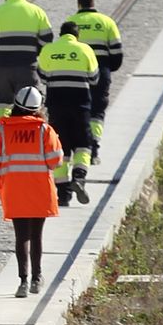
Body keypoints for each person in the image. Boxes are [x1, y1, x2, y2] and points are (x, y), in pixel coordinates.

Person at [0, 83, 64, 296]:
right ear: (38, 108)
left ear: (16, 106)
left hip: (14, 190)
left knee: (21, 236)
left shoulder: (3, 130)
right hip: (40, 190)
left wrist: (0, 184)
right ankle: (37, 279)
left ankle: (22, 281)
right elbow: (55, 161)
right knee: (37, 235)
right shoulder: (44, 130)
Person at [36, 20, 101, 208]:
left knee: (60, 147)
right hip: (81, 104)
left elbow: (43, 76)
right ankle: (79, 178)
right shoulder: (86, 50)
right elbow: (95, 78)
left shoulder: (49, 49)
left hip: (57, 104)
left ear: (60, 33)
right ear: (77, 35)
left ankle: (62, 194)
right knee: (83, 145)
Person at [66, 0, 124, 161]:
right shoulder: (107, 22)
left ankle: (79, 146)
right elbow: (117, 53)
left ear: (79, 4)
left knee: (79, 108)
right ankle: (94, 148)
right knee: (97, 110)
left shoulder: (70, 22)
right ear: (93, 2)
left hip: (77, 72)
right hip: (101, 69)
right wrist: (108, 68)